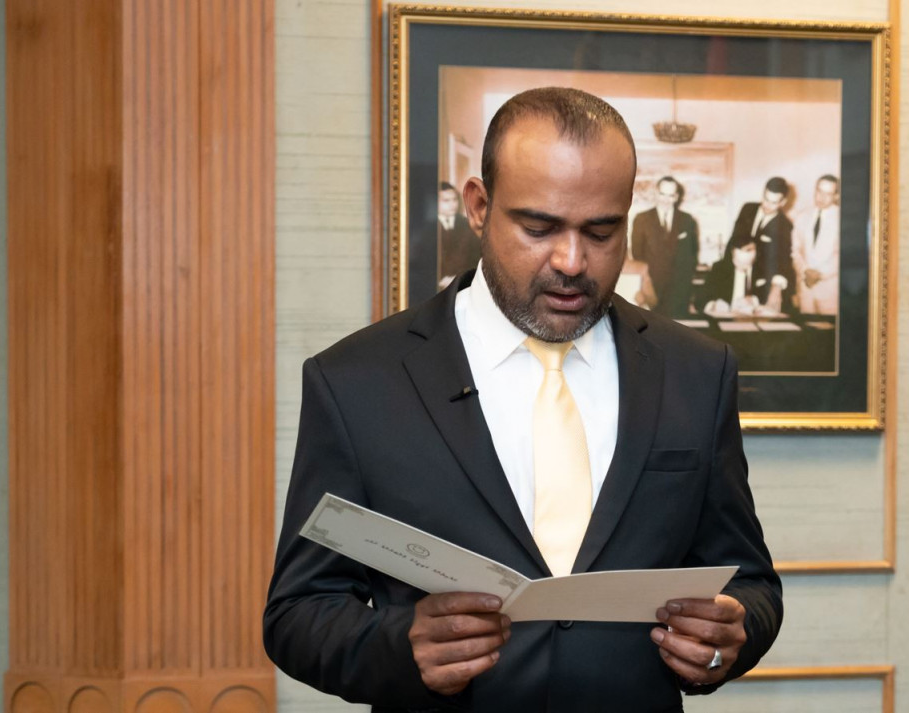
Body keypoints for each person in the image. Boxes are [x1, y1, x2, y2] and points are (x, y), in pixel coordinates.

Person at [264, 87, 782, 712]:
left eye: (601, 231)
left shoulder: (697, 372)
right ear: (479, 206)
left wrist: (731, 636)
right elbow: (298, 613)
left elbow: (749, 582)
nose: (571, 261)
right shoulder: (356, 380)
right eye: (539, 227)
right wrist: (400, 649)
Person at [630, 176, 700, 317]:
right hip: (651, 292)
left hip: (679, 293)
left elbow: (692, 255)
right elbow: (637, 255)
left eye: (670, 195)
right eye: (662, 194)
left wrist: (684, 287)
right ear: (656, 194)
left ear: (676, 197)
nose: (665, 200)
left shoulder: (687, 221)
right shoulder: (642, 219)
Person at [722, 177, 793, 313]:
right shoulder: (748, 209)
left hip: (758, 283)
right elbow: (734, 239)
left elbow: (783, 260)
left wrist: (776, 288)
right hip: (735, 272)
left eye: (773, 202)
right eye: (765, 199)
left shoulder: (785, 226)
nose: (766, 205)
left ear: (783, 202)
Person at [791, 175, 840, 315]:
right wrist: (805, 271)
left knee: (829, 333)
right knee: (807, 333)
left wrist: (819, 274)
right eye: (819, 191)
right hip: (805, 288)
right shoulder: (802, 216)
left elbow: (843, 254)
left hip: (829, 290)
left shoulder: (842, 218)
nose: (821, 197)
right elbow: (795, 250)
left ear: (836, 196)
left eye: (828, 194)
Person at [436, 181, 481, 289]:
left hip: (463, 286)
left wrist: (460, 279)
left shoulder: (467, 224)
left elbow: (477, 258)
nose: (452, 205)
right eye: (446, 201)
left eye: (454, 200)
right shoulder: (427, 227)